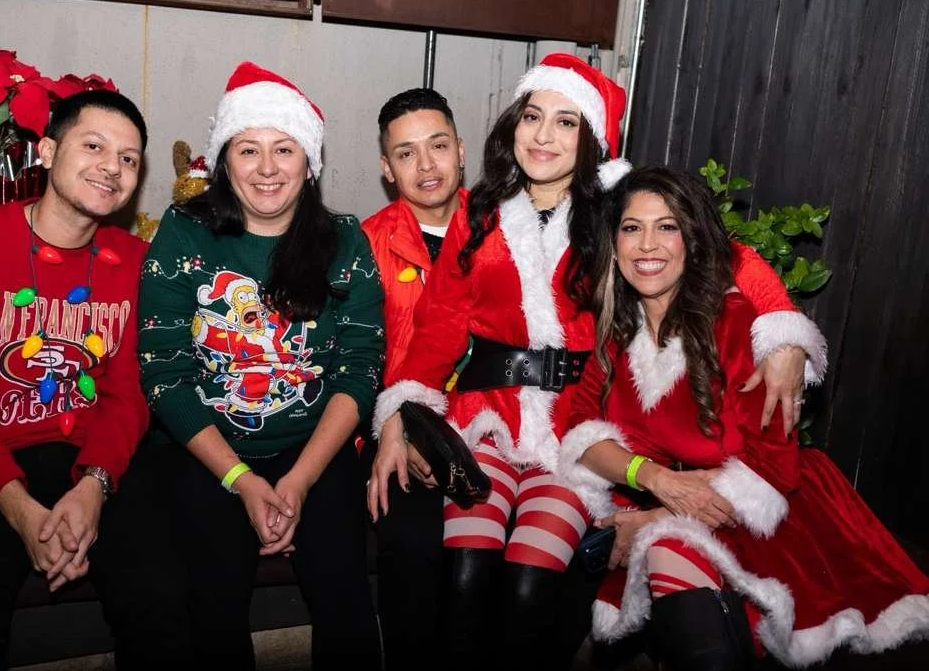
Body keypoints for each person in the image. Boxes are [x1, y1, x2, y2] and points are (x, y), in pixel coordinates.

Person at [368, 53, 827, 668]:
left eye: (566, 122)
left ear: (591, 139)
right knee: (467, 573)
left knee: (530, 581)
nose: (544, 135)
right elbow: (436, 332)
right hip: (486, 418)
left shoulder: (615, 212)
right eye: (533, 116)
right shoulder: (479, 214)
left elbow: (726, 253)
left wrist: (784, 335)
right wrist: (401, 410)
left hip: (573, 429)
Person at [560, 166, 929, 669]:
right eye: (632, 227)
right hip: (674, 506)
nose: (647, 244)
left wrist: (651, 519)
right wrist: (653, 477)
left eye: (667, 227)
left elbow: (772, 470)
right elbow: (580, 431)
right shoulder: (618, 332)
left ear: (693, 241)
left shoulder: (737, 326)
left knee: (669, 555)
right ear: (614, 242)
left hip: (766, 516)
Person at [134, 61, 384, 669]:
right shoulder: (184, 233)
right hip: (208, 447)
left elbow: (359, 369)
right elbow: (164, 372)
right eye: (248, 150)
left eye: (284, 149)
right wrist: (242, 481)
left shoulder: (344, 240)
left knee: (345, 594)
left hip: (313, 447)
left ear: (309, 162)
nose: (267, 168)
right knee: (211, 597)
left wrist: (299, 480)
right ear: (225, 161)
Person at [0, 89, 150, 668]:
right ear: (47, 152)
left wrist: (93, 487)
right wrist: (20, 510)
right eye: (94, 146)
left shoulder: (139, 263)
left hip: (95, 461)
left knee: (162, 601)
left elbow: (129, 395)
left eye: (129, 159)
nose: (111, 168)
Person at [360, 87, 466, 670]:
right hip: (393, 430)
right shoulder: (364, 245)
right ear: (386, 167)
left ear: (461, 151)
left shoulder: (503, 231)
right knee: (412, 545)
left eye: (438, 146)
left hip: (489, 425)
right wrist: (393, 430)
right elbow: (355, 363)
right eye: (406, 153)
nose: (426, 165)